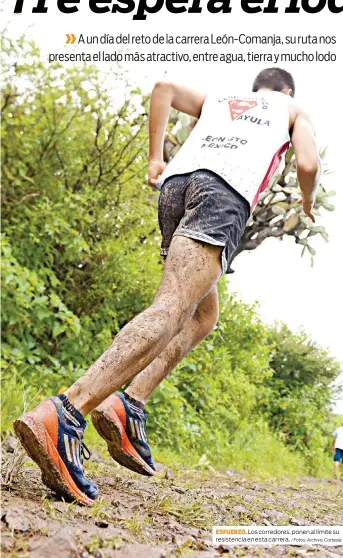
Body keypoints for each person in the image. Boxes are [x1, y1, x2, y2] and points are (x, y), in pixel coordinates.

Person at [14, 68, 321, 505]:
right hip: (222, 194)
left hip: (177, 186)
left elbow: (164, 88)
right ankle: (68, 410)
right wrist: (307, 198)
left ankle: (129, 403)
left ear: (257, 88)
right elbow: (308, 163)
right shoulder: (293, 109)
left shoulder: (223, 98)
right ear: (286, 90)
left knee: (202, 315)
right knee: (173, 306)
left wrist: (155, 158)